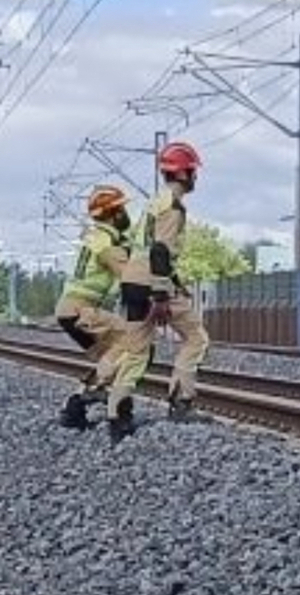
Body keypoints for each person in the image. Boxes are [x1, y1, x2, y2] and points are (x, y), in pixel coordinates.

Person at [105, 140, 210, 443]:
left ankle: (117, 417)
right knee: (196, 338)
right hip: (152, 283)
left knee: (136, 351)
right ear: (183, 173)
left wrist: (176, 283)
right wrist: (162, 296)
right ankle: (182, 403)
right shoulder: (173, 208)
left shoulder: (154, 203)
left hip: (132, 282)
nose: (195, 178)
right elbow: (160, 251)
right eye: (193, 172)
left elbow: (150, 249)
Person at [55, 184, 133, 430]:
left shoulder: (98, 237)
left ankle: (78, 410)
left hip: (70, 310)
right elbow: (130, 276)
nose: (125, 214)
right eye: (121, 209)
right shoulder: (106, 243)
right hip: (81, 310)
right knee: (133, 343)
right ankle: (90, 396)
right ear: (113, 212)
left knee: (113, 355)